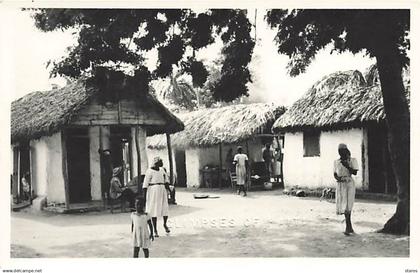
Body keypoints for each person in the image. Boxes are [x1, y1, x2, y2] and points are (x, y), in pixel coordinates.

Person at [334, 143, 359, 236]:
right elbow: (335, 173)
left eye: (343, 151)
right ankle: (349, 226)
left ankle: (349, 226)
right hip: (341, 184)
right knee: (343, 204)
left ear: (346, 151)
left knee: (349, 204)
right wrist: (338, 179)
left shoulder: (352, 160)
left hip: (349, 183)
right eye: (339, 151)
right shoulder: (336, 162)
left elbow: (355, 172)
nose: (341, 153)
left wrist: (347, 166)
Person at [143, 157, 170, 237]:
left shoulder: (162, 170)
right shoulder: (149, 171)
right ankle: (155, 229)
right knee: (154, 210)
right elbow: (145, 184)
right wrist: (144, 197)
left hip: (162, 190)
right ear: (156, 163)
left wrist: (168, 189)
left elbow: (166, 181)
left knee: (164, 208)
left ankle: (165, 224)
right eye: (160, 162)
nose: (162, 164)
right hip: (153, 191)